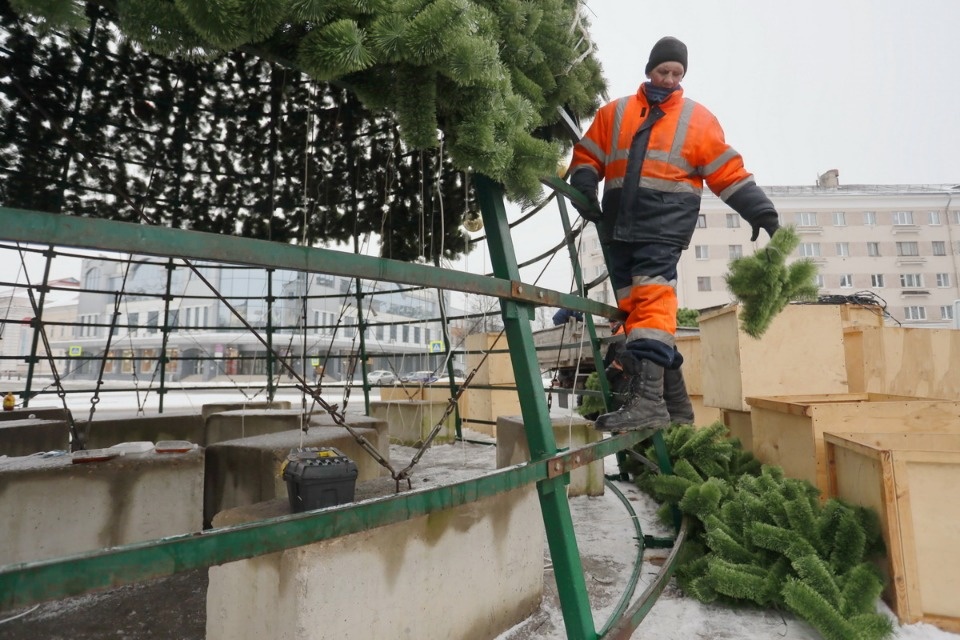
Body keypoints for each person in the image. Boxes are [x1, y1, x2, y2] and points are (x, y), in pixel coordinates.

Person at [568, 36, 780, 432]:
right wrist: (584, 184)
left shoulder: (697, 120)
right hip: (618, 227)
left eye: (677, 73)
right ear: (649, 70)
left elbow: (727, 171)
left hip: (663, 228)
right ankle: (679, 408)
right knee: (637, 316)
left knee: (651, 303)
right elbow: (588, 155)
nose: (669, 79)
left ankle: (648, 403)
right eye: (663, 71)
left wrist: (760, 210)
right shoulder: (614, 114)